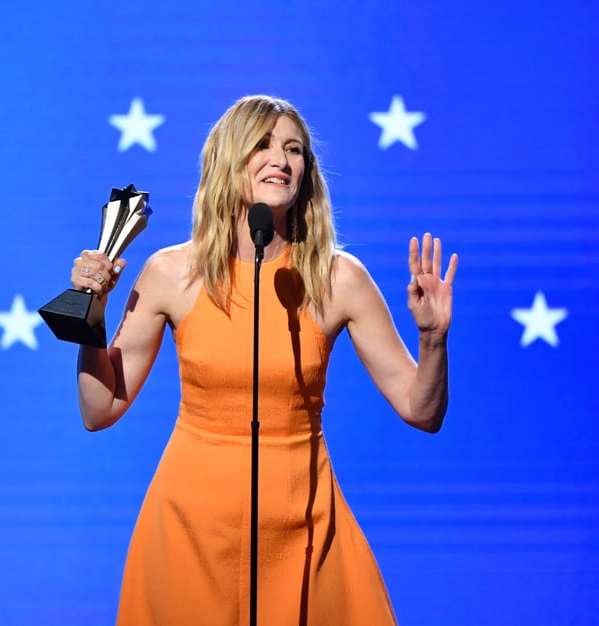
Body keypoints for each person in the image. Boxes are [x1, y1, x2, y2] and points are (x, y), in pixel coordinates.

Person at [71, 95, 458, 625]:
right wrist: (92, 313)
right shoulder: (170, 273)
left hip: (307, 535)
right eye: (263, 145)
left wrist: (433, 338)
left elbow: (422, 410)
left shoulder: (339, 279)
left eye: (294, 149)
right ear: (229, 159)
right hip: (189, 536)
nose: (281, 159)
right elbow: (99, 409)